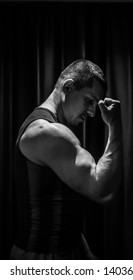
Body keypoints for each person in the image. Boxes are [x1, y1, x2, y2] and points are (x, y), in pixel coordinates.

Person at [10, 59, 122, 260]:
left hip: (64, 250)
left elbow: (61, 206)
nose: (93, 112)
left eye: (95, 104)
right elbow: (102, 189)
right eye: (89, 100)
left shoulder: (50, 130)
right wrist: (114, 126)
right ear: (68, 87)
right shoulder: (46, 132)